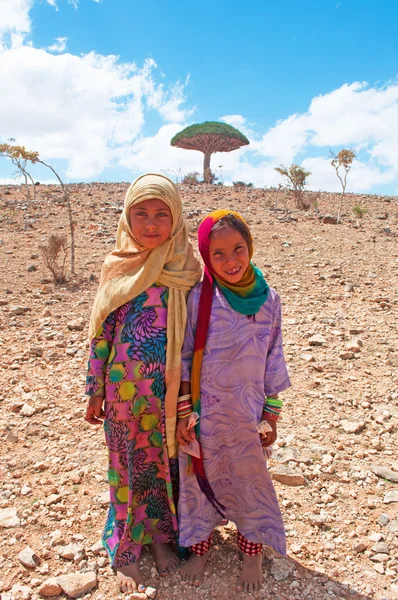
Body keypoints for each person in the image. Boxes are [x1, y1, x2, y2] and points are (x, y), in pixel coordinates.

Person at [84, 174, 202, 594]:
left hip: (172, 395)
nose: (150, 224)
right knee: (127, 465)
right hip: (122, 394)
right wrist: (94, 387)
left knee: (167, 465)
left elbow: (198, 337)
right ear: (126, 217)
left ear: (177, 219)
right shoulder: (119, 265)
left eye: (161, 214)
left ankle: (162, 540)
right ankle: (128, 548)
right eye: (141, 214)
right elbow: (101, 332)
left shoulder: (187, 269)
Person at [176, 210, 291, 593]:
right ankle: (201, 547)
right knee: (198, 480)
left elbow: (273, 356)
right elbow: (184, 355)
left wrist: (271, 415)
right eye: (219, 253)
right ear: (207, 256)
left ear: (250, 246)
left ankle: (252, 551)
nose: (230, 261)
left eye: (237, 249)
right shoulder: (199, 297)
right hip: (205, 415)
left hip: (247, 415)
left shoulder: (270, 299)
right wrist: (183, 412)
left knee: (249, 481)